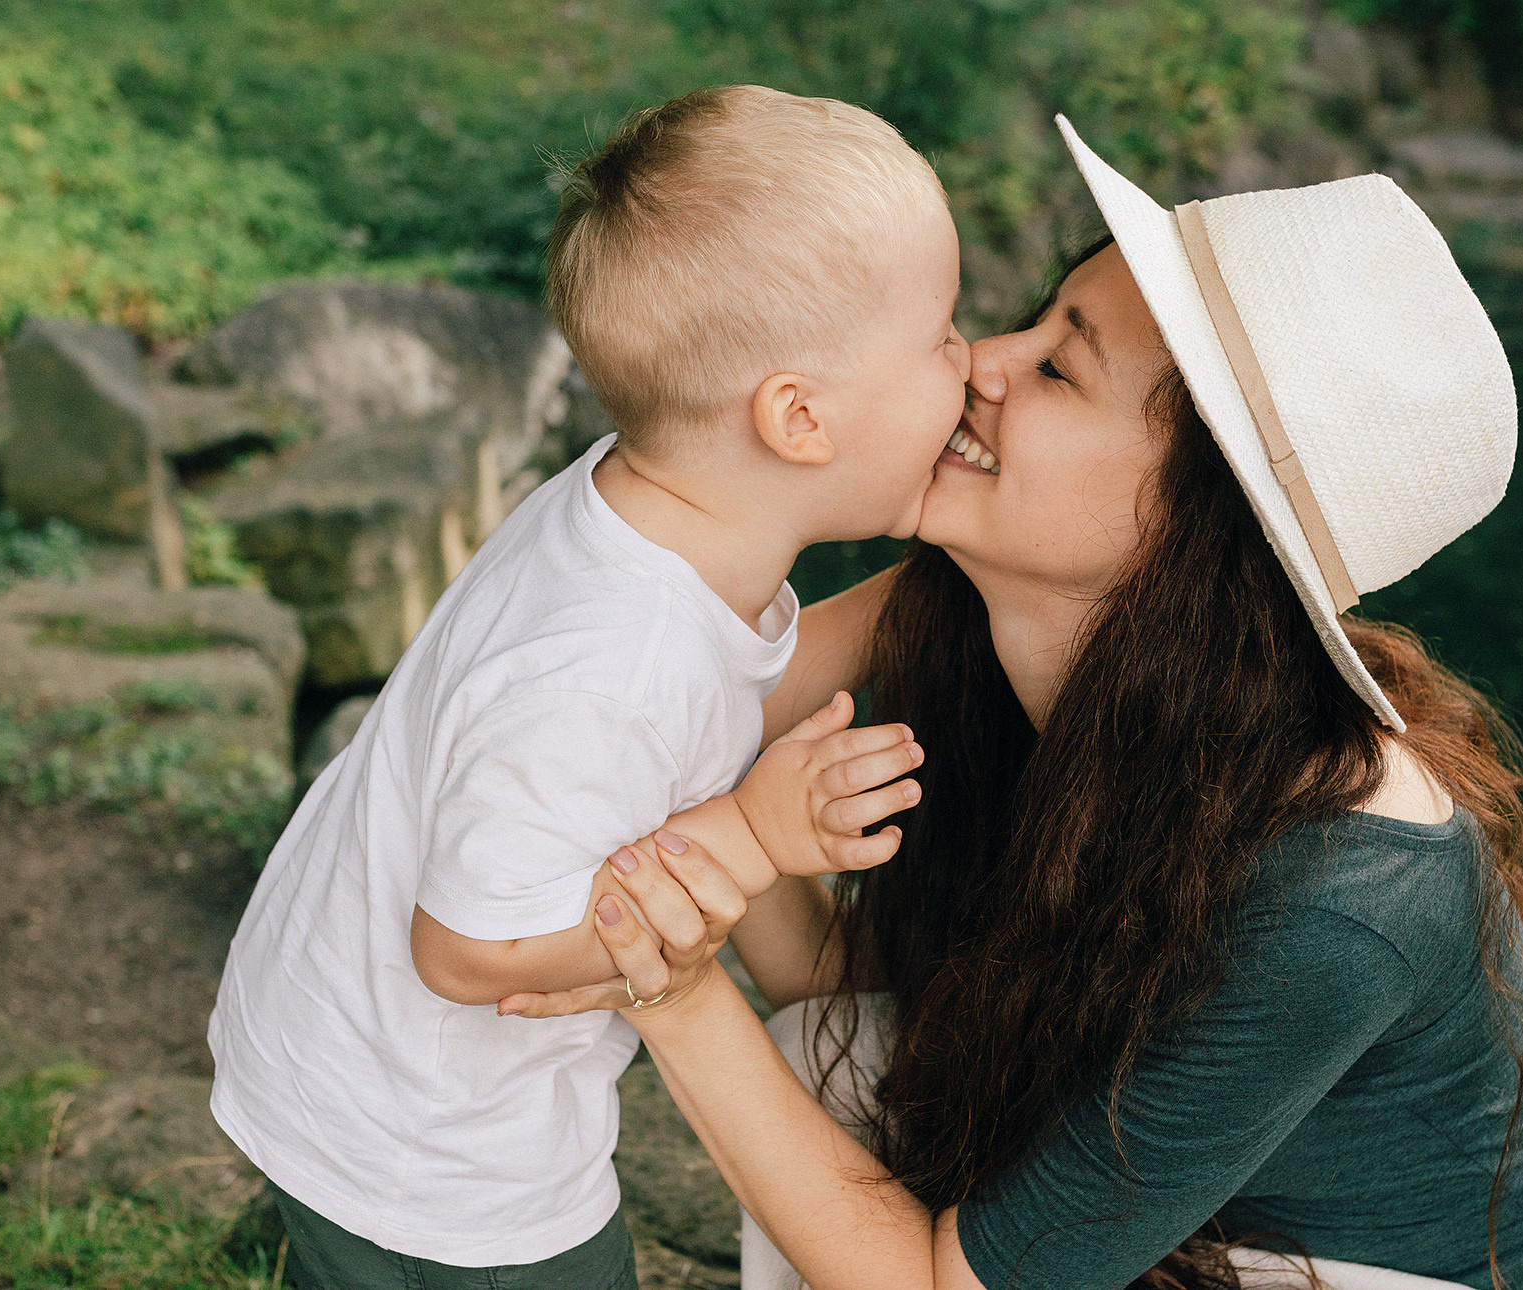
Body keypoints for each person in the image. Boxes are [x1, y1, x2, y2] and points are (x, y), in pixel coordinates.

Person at [500, 119, 1523, 1290]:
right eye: (1030, 321)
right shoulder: (984, 609)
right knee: (843, 1082)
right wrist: (717, 862)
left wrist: (665, 973)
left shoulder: (1339, 893)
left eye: (1058, 367)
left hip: (1464, 1273)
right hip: (1248, 1216)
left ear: (1190, 524)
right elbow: (698, 737)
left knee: (828, 1114)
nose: (982, 362)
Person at [206, 85, 971, 1288]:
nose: (969, 366)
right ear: (799, 417)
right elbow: (467, 950)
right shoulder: (608, 654)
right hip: (434, 1139)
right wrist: (749, 831)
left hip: (345, 1062)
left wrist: (961, 568)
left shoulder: (655, 513)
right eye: (940, 334)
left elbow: (717, 699)